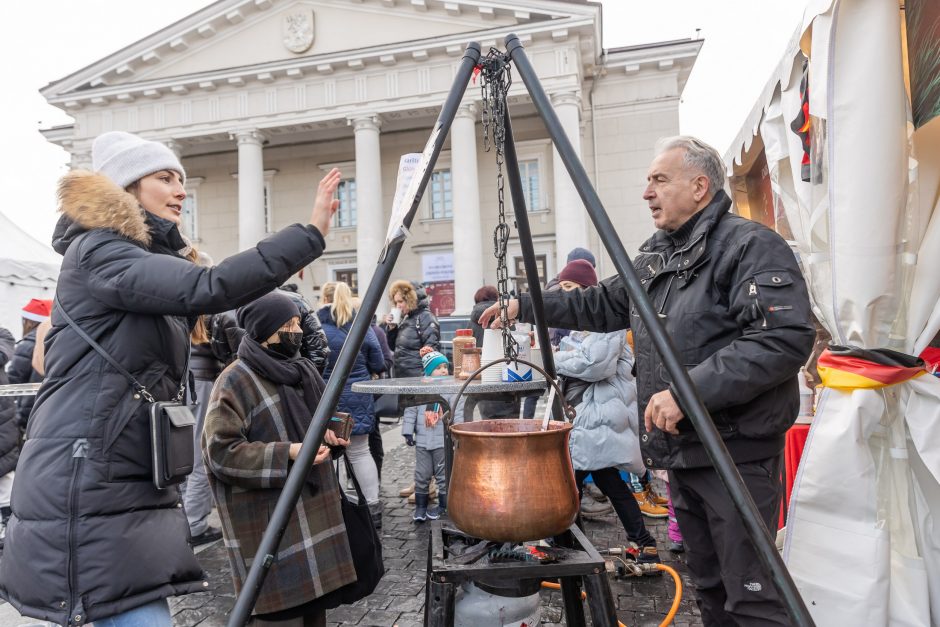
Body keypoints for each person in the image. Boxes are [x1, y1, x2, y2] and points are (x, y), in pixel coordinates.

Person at [0, 130, 342, 626]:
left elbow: (212, 298)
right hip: (87, 465)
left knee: (135, 608)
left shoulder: (143, 259)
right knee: (132, 613)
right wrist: (309, 234)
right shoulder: (99, 251)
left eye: (181, 178)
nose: (181, 189)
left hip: (122, 463)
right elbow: (211, 286)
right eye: (165, 178)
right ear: (125, 188)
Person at [480, 135, 814, 626]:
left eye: (659, 179)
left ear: (700, 187)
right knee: (712, 586)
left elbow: (782, 339)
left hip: (734, 451)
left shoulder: (749, 245)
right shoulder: (658, 257)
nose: (647, 192)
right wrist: (522, 305)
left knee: (754, 594)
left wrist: (689, 393)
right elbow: (597, 305)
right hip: (683, 450)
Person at [202, 292, 354, 626]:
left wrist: (330, 434)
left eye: (297, 322)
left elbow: (309, 422)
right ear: (264, 330)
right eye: (286, 325)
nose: (296, 331)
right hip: (270, 526)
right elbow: (220, 452)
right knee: (279, 618)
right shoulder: (234, 380)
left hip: (313, 519)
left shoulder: (300, 369)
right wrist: (289, 452)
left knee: (315, 617)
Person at [550, 260, 660, 569]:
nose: (565, 294)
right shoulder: (588, 324)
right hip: (594, 417)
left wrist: (553, 359)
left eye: (570, 288)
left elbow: (595, 364)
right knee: (606, 479)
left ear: (587, 290)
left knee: (567, 482)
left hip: (598, 415)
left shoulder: (606, 320)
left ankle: (562, 546)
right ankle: (643, 543)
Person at [318, 282, 386, 528]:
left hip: (329, 397)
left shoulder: (317, 327)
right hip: (359, 394)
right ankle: (373, 507)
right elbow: (378, 361)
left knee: (331, 452)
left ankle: (337, 508)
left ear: (323, 298)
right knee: (360, 452)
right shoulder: (361, 326)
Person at [402, 347, 464, 522]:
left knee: (444, 475)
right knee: (421, 475)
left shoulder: (451, 390)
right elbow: (411, 410)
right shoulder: (420, 390)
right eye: (438, 368)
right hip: (423, 442)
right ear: (429, 371)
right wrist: (408, 431)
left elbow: (457, 411)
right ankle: (421, 507)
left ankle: (444, 506)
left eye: (445, 367)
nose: (444, 370)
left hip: (442, 442)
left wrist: (457, 430)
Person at [7, 299, 53, 429]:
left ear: (30, 322)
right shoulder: (56, 343)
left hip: (26, 415)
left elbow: (12, 382)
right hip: (48, 414)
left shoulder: (28, 344)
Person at [278, 282, 331, 373]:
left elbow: (317, 345)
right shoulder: (296, 300)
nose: (298, 329)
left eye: (297, 323)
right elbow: (319, 346)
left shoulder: (297, 301)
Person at [0, 326, 18, 547]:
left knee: (5, 477)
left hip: (2, 419)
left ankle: (9, 529)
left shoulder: (3, 336)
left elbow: (3, 353)